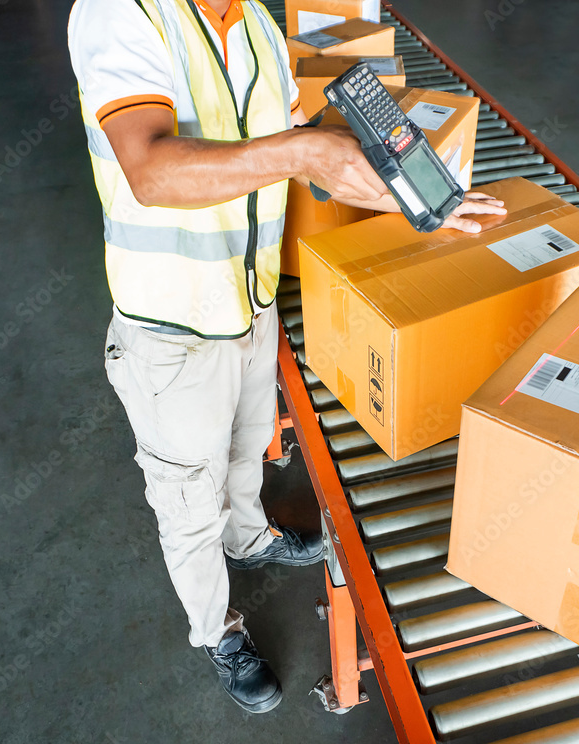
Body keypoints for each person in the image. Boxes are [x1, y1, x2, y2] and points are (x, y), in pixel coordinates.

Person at [67, 0, 505, 714]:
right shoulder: (122, 12)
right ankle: (216, 631)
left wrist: (414, 197)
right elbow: (149, 169)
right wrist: (305, 153)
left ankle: (250, 538)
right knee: (187, 502)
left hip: (249, 300)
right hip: (172, 326)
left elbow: (300, 135)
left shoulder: (260, 25)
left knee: (246, 446)